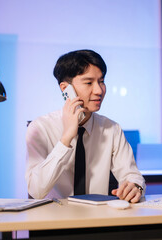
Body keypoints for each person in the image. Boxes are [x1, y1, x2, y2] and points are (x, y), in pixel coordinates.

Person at [25, 49, 145, 203]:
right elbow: (36, 190)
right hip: (53, 222)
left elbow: (132, 175)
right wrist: (66, 139)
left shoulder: (112, 129)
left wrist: (135, 187)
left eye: (101, 81)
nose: (98, 90)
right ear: (65, 89)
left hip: (98, 220)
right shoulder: (39, 128)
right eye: (89, 83)